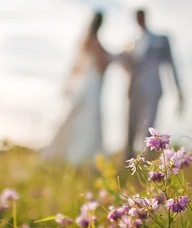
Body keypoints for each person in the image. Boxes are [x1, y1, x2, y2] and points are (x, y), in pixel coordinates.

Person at [41, 10, 112, 165]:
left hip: (91, 83)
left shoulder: (89, 40)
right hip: (92, 84)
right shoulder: (93, 41)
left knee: (84, 118)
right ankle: (81, 158)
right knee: (89, 118)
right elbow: (101, 64)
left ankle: (80, 157)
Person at [120, 9, 184, 161]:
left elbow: (171, 65)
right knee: (131, 127)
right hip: (134, 91)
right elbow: (124, 63)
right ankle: (128, 162)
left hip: (153, 89)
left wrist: (179, 92)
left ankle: (151, 162)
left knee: (150, 127)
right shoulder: (130, 43)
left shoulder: (160, 40)